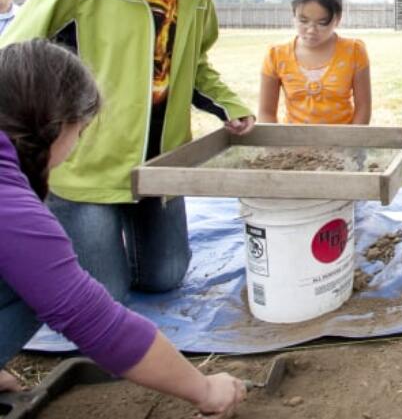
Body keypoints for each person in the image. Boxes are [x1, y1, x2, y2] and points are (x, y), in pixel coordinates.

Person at [0, 0, 254, 302]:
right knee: (106, 297)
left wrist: (229, 105)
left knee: (166, 277)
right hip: (90, 164)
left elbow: (194, 66)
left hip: (163, 162)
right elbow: (14, 56)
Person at [0, 39, 246, 418]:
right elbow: (93, 320)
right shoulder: (11, 207)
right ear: (57, 123)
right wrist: (205, 389)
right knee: (40, 286)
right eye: (80, 132)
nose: (76, 145)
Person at [259, 0, 372, 125]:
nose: (311, 30)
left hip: (344, 141)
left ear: (337, 19)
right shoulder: (276, 55)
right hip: (292, 143)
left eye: (322, 23)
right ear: (294, 16)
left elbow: (363, 108)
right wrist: (275, 146)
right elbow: (266, 112)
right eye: (303, 21)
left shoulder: (355, 51)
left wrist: (351, 143)